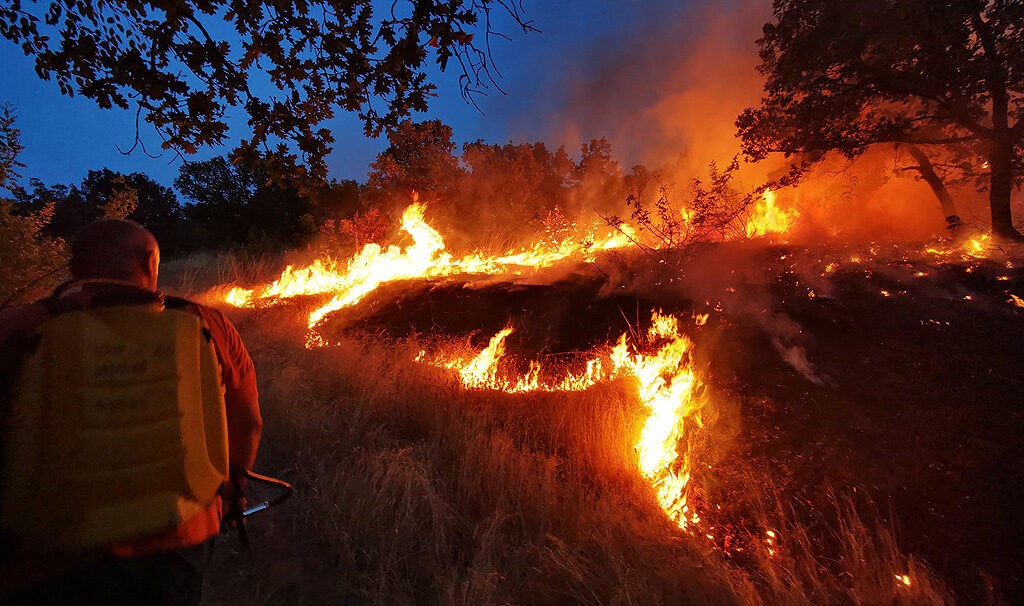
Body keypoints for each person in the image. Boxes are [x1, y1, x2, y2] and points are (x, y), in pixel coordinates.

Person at [0, 219, 262, 605]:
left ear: (75, 269)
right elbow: (248, 423)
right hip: (180, 542)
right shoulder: (208, 325)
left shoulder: (16, 329)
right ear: (149, 261)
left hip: (48, 556)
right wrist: (233, 494)